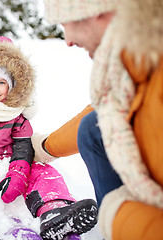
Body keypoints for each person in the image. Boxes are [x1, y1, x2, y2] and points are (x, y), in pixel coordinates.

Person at [0, 36, 98, 240]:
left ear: (12, 85)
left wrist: (19, 171)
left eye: (1, 83)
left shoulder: (16, 111)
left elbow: (23, 143)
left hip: (8, 165)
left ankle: (54, 208)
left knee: (41, 169)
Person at [32, 0, 163, 239]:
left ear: (97, 12)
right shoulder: (134, 62)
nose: (68, 40)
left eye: (65, 24)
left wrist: (119, 215)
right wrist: (46, 147)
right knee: (92, 127)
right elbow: (103, 114)